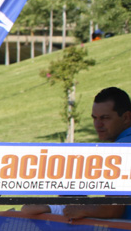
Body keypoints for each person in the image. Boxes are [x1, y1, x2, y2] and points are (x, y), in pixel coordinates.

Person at [22, 87, 131, 220]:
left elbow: (113, 209)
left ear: (126, 117)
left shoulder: (120, 149)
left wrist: (82, 209)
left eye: (105, 118)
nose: (97, 124)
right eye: (94, 118)